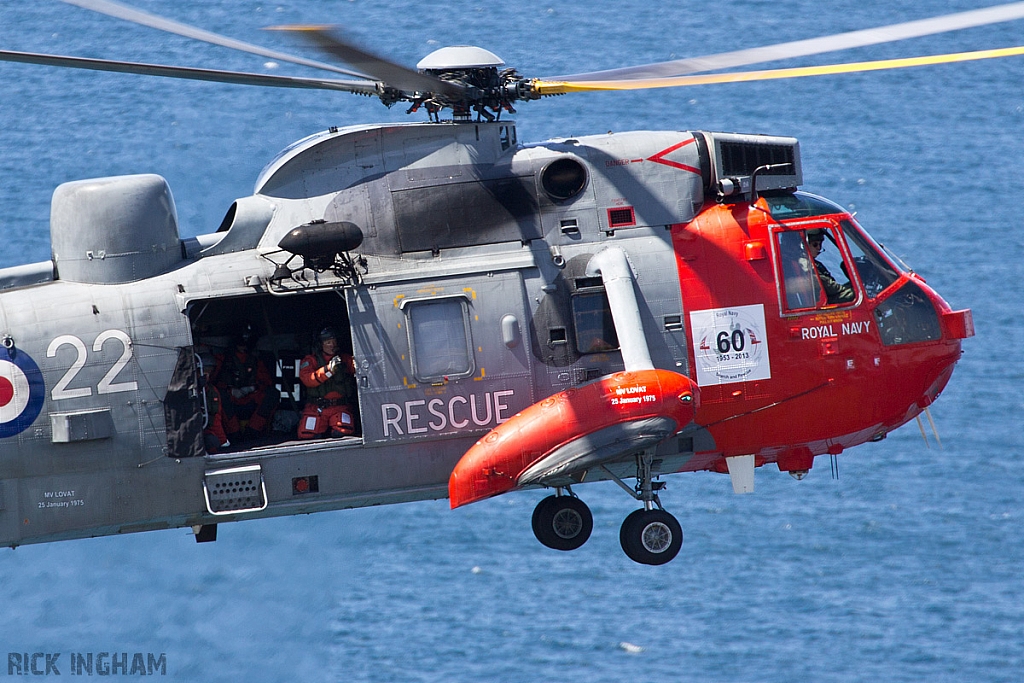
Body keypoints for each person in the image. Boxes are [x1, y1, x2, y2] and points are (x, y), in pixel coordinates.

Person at [215, 323, 278, 442]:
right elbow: (214, 381)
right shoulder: (223, 359)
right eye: (241, 342)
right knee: (219, 396)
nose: (244, 346)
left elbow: (266, 381)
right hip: (231, 401)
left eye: (247, 342)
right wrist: (231, 390)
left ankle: (253, 431)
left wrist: (251, 389)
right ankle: (234, 434)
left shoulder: (255, 359)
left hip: (251, 399)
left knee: (273, 393)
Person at [298, 327, 358, 439]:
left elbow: (360, 367)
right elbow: (308, 379)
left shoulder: (345, 359)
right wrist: (328, 370)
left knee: (344, 432)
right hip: (316, 408)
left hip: (340, 407)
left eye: (334, 341)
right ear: (320, 344)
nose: (332, 345)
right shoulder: (310, 361)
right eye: (328, 342)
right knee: (307, 435)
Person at [806, 229, 855, 304]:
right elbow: (832, 288)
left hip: (826, 299)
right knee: (858, 294)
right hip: (825, 304)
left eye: (820, 244)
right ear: (804, 245)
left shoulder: (815, 264)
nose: (818, 248)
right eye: (815, 244)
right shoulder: (807, 266)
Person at [198, 353, 229, 454]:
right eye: (205, 371)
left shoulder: (212, 391)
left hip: (208, 430)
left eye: (210, 371)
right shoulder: (188, 390)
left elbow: (216, 417)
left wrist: (223, 440)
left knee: (213, 442)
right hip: (193, 434)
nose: (207, 375)